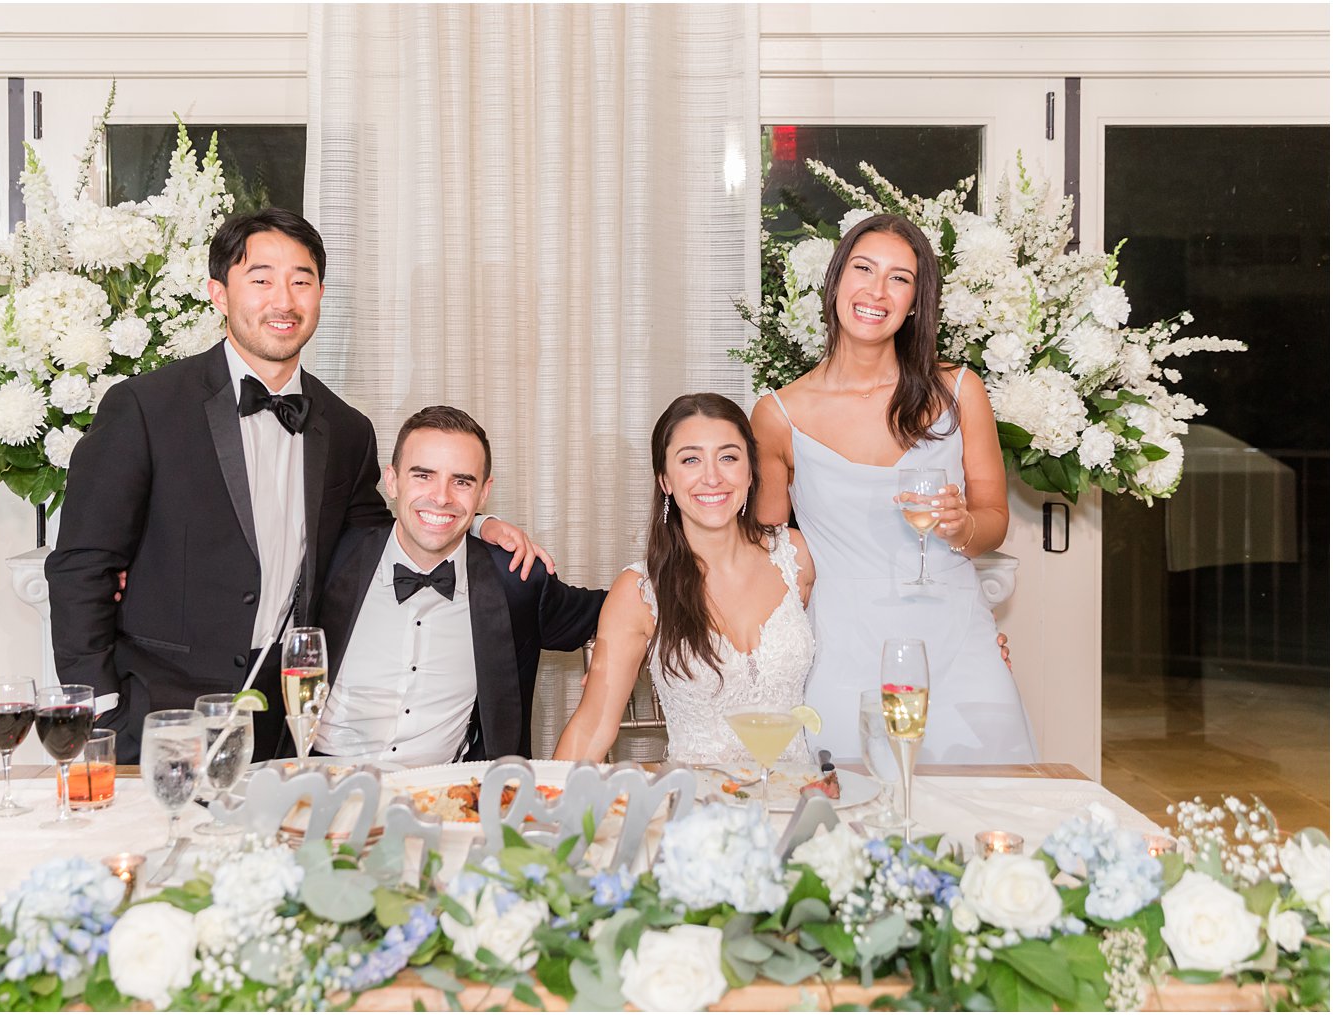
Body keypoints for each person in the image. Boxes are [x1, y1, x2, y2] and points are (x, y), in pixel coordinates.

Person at [46, 209, 545, 764]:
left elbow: (377, 531)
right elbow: (82, 565)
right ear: (219, 293)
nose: (283, 300)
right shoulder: (144, 407)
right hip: (154, 716)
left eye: (300, 281)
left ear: (320, 295)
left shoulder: (348, 428)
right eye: (260, 280)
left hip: (282, 724)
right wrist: (101, 709)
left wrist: (474, 519)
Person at [751, 212, 1036, 764]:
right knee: (851, 820)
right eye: (863, 268)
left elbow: (994, 519)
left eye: (899, 278)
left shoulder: (959, 391)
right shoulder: (778, 415)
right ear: (835, 282)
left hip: (958, 641)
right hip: (841, 649)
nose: (876, 291)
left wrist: (964, 525)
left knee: (986, 815)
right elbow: (774, 559)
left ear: (915, 301)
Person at [315, 406, 605, 764]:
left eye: (462, 482)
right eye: (423, 475)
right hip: (321, 783)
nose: (441, 497)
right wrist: (481, 524)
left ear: (484, 493)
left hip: (447, 801)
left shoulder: (515, 578)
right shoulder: (331, 556)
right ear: (391, 481)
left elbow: (621, 608)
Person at [554, 393, 817, 766]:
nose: (712, 477)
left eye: (728, 457)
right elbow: (593, 726)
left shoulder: (796, 556)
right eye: (691, 459)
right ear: (665, 480)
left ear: (750, 471)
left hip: (798, 803)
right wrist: (547, 810)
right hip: (697, 809)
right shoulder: (639, 592)